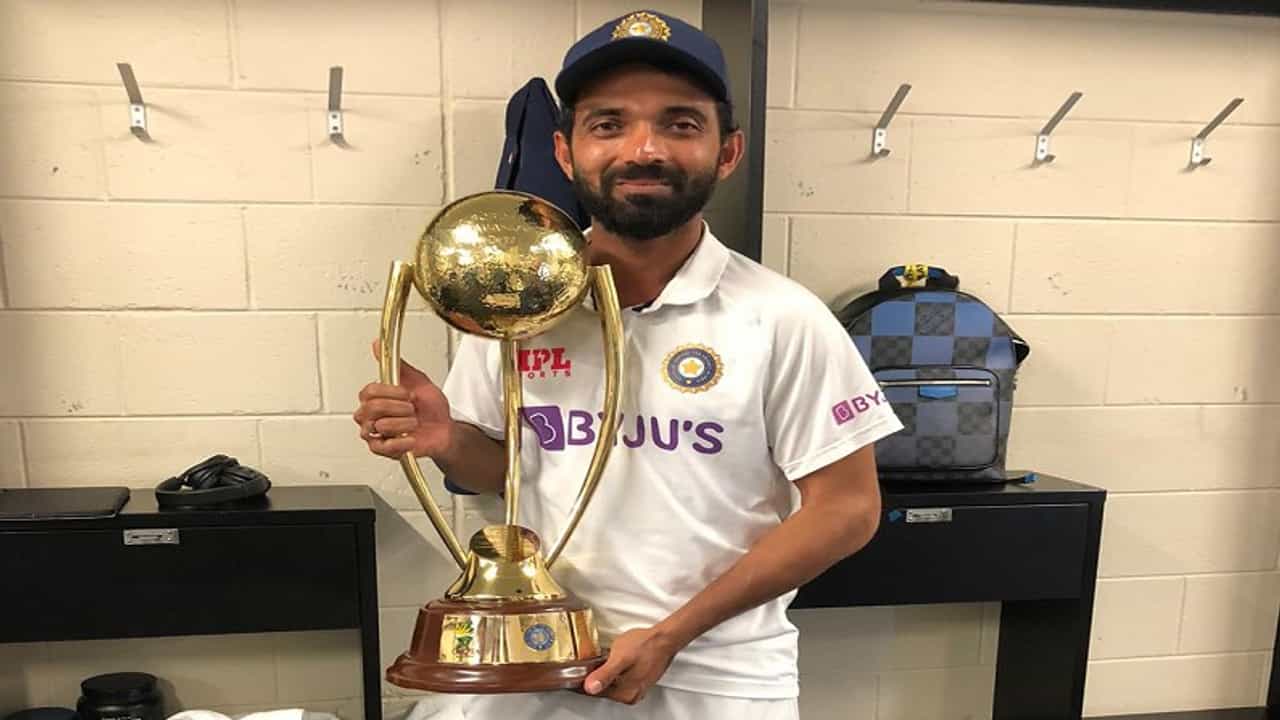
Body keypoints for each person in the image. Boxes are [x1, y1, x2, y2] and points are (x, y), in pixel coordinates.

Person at [353, 9, 903, 720]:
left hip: (717, 678)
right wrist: (447, 440)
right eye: (608, 124)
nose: (644, 149)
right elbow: (502, 473)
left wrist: (673, 635)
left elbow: (848, 509)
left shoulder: (783, 318)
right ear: (566, 150)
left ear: (727, 152)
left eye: (681, 124)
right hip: (535, 662)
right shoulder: (517, 304)